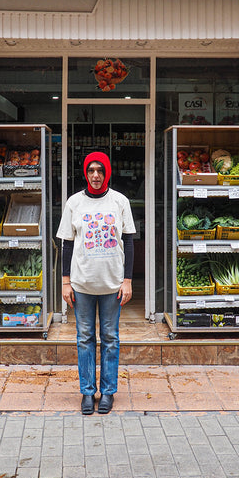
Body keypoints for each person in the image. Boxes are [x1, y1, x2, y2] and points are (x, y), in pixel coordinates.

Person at [56, 151, 135, 415]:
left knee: (110, 338)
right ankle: (88, 393)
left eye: (100, 170)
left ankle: (108, 392)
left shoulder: (119, 201)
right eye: (91, 170)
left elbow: (130, 242)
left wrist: (127, 280)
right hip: (82, 285)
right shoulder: (74, 203)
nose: (96, 175)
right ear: (85, 173)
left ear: (108, 172)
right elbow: (66, 244)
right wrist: (65, 282)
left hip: (113, 285)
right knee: (84, 338)